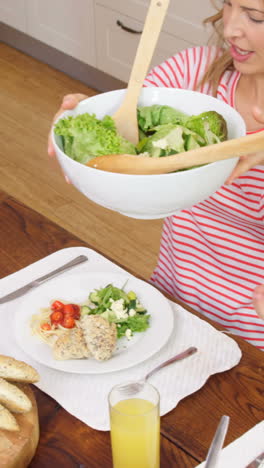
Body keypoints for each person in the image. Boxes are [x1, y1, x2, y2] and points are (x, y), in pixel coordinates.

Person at [48, 0, 264, 350]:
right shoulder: (195, 74)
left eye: (255, 16)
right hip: (170, 307)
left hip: (253, 340)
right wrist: (78, 125)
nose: (230, 29)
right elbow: (119, 135)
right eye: (228, 4)